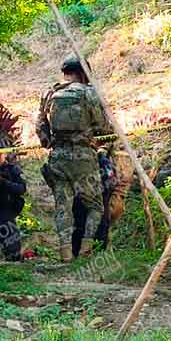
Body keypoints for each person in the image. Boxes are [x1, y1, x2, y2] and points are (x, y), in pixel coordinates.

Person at [37, 57, 111, 262]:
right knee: (95, 206)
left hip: (58, 158)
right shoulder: (89, 93)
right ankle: (86, 248)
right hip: (83, 158)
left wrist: (48, 141)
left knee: (63, 205)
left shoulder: (50, 93)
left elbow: (40, 125)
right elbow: (103, 127)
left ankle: (65, 252)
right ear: (83, 73)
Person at [72, 149, 116, 257]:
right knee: (81, 225)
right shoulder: (76, 161)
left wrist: (101, 191)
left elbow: (111, 181)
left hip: (97, 199)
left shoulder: (103, 162)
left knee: (100, 226)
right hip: (81, 200)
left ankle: (97, 253)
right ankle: (78, 253)